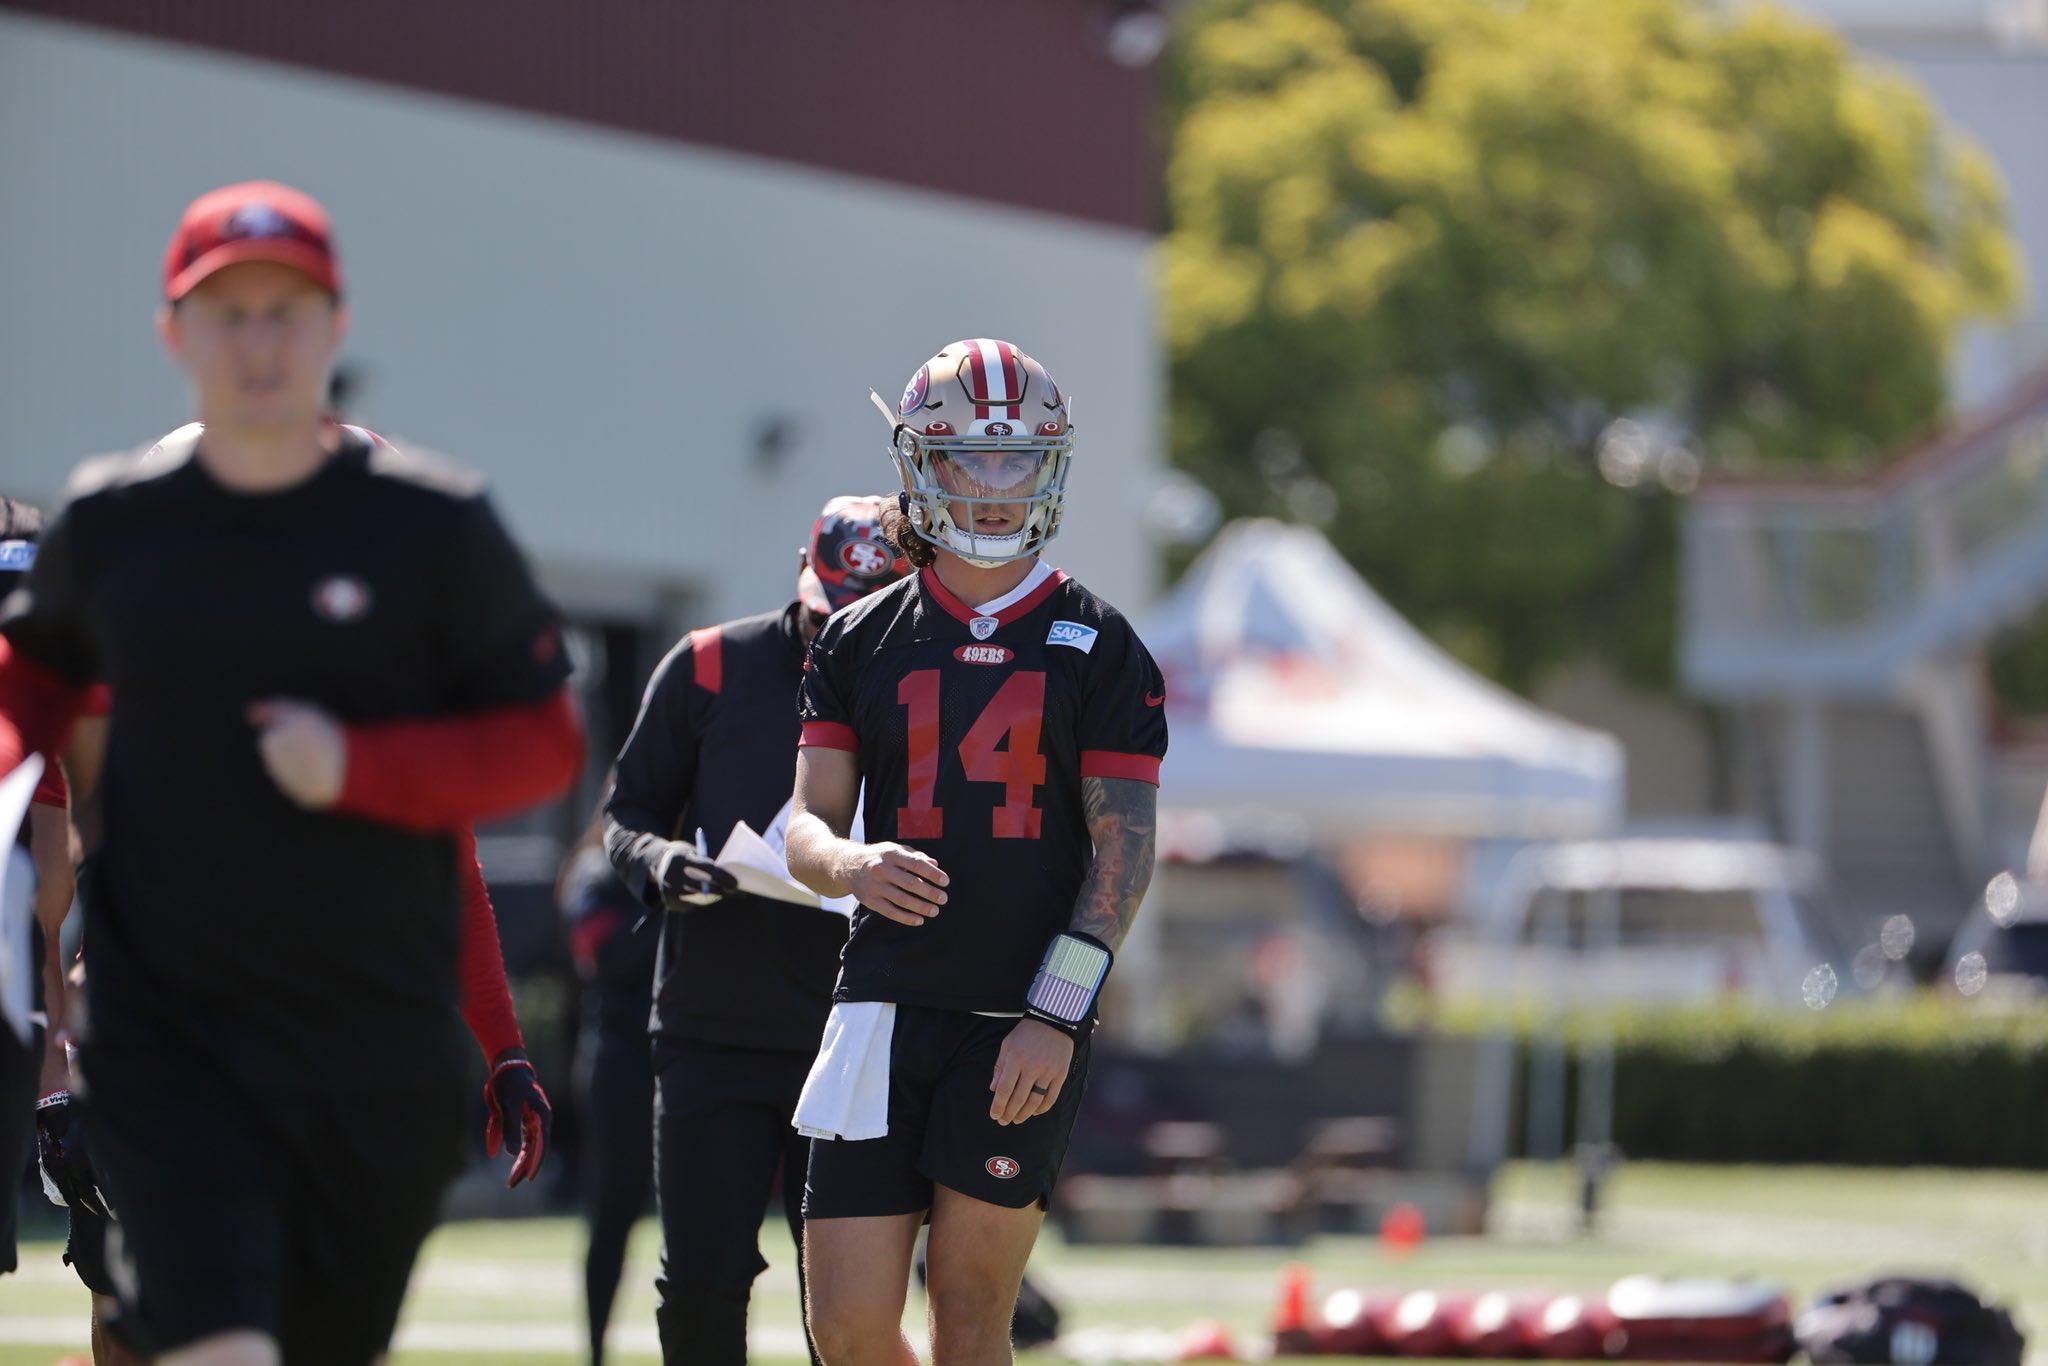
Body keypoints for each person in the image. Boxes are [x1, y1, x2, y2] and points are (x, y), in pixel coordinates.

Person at [0, 179, 583, 1366]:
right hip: (173, 1048)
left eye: (287, 310)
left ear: (334, 327)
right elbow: (27, 755)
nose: (259, 342)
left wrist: (361, 766)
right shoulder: (113, 527)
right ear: (176, 333)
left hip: (366, 1051)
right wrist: (49, 1029)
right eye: (229, 312)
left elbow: (539, 744)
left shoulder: (433, 526)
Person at [786, 339, 1166, 1365]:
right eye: (967, 460)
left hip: (1015, 1016)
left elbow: (1121, 861)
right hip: (878, 1005)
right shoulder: (857, 637)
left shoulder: (1099, 639)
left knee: (968, 1315)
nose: (995, 489)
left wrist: (1055, 1014)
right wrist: (852, 864)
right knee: (848, 1325)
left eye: (1018, 462)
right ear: (921, 463)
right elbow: (804, 826)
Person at [604, 495, 911, 1364]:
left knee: (848, 1303)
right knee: (702, 1280)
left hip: (856, 1032)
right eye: (826, 616)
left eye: (863, 622)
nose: (837, 639)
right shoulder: (709, 666)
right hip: (713, 1030)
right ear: (802, 580)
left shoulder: (919, 686)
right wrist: (660, 865)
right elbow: (627, 813)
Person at [559, 801, 657, 1366]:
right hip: (618, 1063)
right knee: (613, 1213)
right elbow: (607, 954)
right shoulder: (595, 872)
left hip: (685, 1060)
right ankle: (595, 1352)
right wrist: (678, 907)